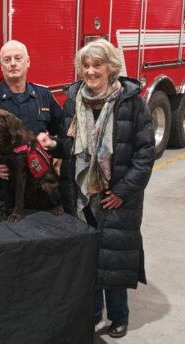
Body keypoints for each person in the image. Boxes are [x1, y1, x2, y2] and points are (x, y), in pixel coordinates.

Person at [37, 39, 154, 338]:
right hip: (80, 193)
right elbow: (70, 145)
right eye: (85, 66)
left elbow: (144, 154)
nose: (90, 71)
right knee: (87, 257)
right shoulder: (73, 98)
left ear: (110, 68)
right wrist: (53, 145)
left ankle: (119, 316)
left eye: (96, 65)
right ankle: (91, 313)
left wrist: (124, 192)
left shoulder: (131, 101)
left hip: (115, 196)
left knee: (113, 256)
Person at [0, 40, 62, 210]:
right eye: (7, 59)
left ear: (28, 62)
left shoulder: (44, 95)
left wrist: (58, 160)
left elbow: (62, 132)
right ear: (0, 65)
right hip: (1, 187)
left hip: (37, 187)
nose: (13, 64)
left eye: (18, 58)